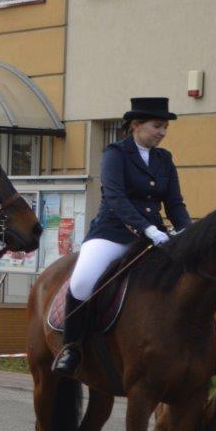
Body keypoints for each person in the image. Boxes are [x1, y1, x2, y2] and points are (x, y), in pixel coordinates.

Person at [53, 96, 192, 374]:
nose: (163, 133)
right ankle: (72, 347)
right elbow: (116, 197)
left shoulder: (164, 159)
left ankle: (196, 347)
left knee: (191, 280)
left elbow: (174, 203)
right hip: (112, 233)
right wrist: (148, 228)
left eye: (165, 127)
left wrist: (188, 233)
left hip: (156, 237)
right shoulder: (115, 153)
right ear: (137, 125)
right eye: (157, 126)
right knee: (82, 281)